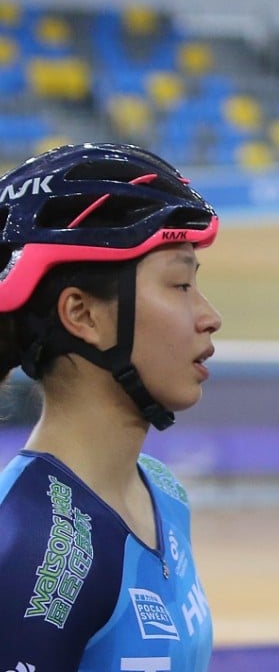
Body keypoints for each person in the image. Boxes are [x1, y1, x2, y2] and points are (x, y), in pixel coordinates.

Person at [0, 143, 222, 670]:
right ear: (83, 315)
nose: (210, 316)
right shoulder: (29, 546)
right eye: (180, 283)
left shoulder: (164, 492)